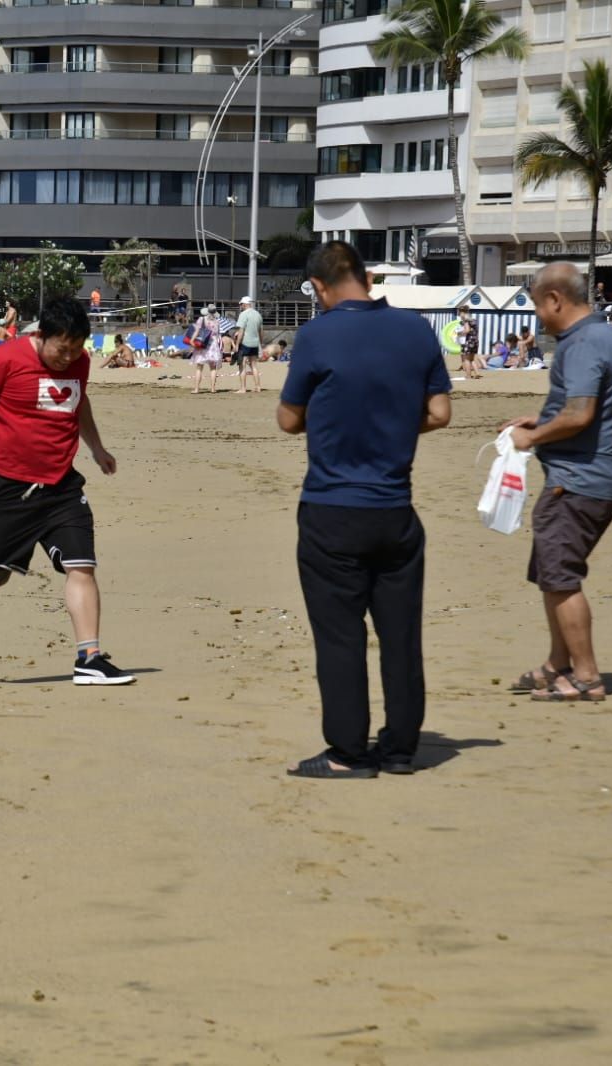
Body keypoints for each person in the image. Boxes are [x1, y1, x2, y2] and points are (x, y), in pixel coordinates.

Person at [277, 240, 452, 779]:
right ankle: (400, 747)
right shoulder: (416, 331)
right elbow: (440, 412)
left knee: (340, 637)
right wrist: (395, 422)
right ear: (368, 277)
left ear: (321, 287)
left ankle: (349, 752)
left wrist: (335, 421)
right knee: (401, 635)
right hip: (394, 507)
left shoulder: (317, 334)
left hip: (333, 506)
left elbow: (288, 419)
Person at [0, 295, 133, 686]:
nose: (69, 357)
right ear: (42, 335)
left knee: (82, 565)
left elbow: (79, 402)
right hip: (7, 485)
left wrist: (96, 448)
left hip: (61, 485)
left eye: (76, 349)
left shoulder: (79, 362)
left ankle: (89, 658)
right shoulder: (6, 358)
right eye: (62, 349)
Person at [503, 261, 612, 703]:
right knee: (550, 574)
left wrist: (532, 437)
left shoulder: (581, 344)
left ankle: (585, 676)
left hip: (577, 482)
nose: (538, 317)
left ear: (555, 299)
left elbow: (580, 415)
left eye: (538, 306)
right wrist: (541, 420)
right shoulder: (606, 337)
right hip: (590, 477)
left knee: (561, 577)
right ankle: (557, 664)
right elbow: (591, 409)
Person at [190, 307, 226, 394]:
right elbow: (217, 334)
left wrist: (192, 340)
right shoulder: (217, 321)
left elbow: (197, 331)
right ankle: (213, 388)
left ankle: (197, 389)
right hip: (213, 345)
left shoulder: (202, 319)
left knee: (199, 367)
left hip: (203, 344)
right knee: (213, 368)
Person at [453, 304, 481, 379]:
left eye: (459, 313)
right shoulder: (473, 319)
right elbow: (474, 330)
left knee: (466, 359)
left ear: (462, 312)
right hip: (475, 340)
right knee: (472, 359)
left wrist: (459, 333)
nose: (459, 315)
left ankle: (468, 375)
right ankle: (477, 373)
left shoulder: (466, 320)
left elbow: (467, 330)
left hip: (468, 341)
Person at [236, 295, 263, 369]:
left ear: (244, 304)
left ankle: (243, 381)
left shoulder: (243, 314)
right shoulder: (258, 314)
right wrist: (260, 343)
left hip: (245, 343)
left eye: (241, 304)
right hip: (255, 343)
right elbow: (261, 332)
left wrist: (237, 344)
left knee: (243, 364)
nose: (240, 306)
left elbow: (241, 331)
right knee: (254, 366)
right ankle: (257, 381)